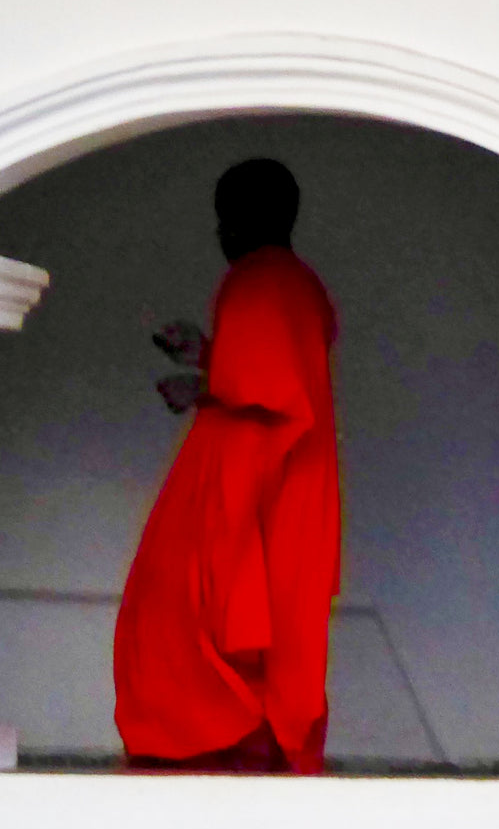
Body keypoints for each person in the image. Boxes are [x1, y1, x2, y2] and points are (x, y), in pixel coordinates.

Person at [114, 158, 340, 774]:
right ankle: (232, 738)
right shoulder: (294, 281)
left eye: (225, 217)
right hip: (270, 470)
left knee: (183, 609)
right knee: (234, 613)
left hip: (254, 477)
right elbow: (271, 369)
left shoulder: (260, 279)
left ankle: (220, 736)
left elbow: (274, 389)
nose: (221, 232)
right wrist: (208, 363)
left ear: (243, 220)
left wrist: (204, 383)